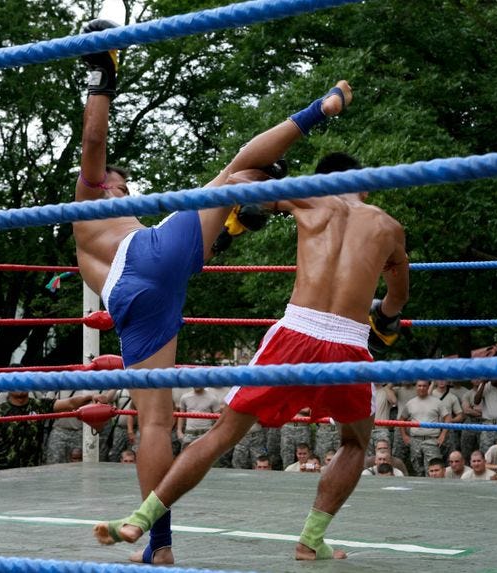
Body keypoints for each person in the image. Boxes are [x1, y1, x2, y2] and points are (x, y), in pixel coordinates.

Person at [74, 17, 355, 563]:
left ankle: (158, 546)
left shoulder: (108, 229)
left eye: (127, 188)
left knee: (154, 421)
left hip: (132, 300)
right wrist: (101, 77)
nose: (125, 191)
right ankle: (311, 120)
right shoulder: (90, 196)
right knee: (236, 172)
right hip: (147, 263)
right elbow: (93, 138)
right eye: (121, 185)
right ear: (105, 184)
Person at [92, 97, 410, 563]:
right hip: (347, 341)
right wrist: (384, 317)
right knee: (355, 442)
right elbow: (398, 296)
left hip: (295, 333)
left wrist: (252, 203)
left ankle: (141, 518)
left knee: (222, 434)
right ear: (362, 185)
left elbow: (241, 178)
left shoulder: (308, 195)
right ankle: (311, 541)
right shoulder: (389, 226)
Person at [0, 391, 104, 472]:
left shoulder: (38, 406)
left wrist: (90, 397)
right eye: (16, 380)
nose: (20, 385)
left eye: (23, 380)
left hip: (33, 472)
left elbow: (70, 403)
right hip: (4, 472)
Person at [399, 380, 450, 476]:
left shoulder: (437, 402)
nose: (422, 388)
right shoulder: (410, 403)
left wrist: (443, 435)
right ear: (416, 387)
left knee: (433, 471)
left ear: (428, 387)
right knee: (417, 470)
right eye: (419, 386)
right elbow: (402, 419)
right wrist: (404, 435)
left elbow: (447, 417)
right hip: (415, 441)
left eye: (424, 386)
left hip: (431, 440)